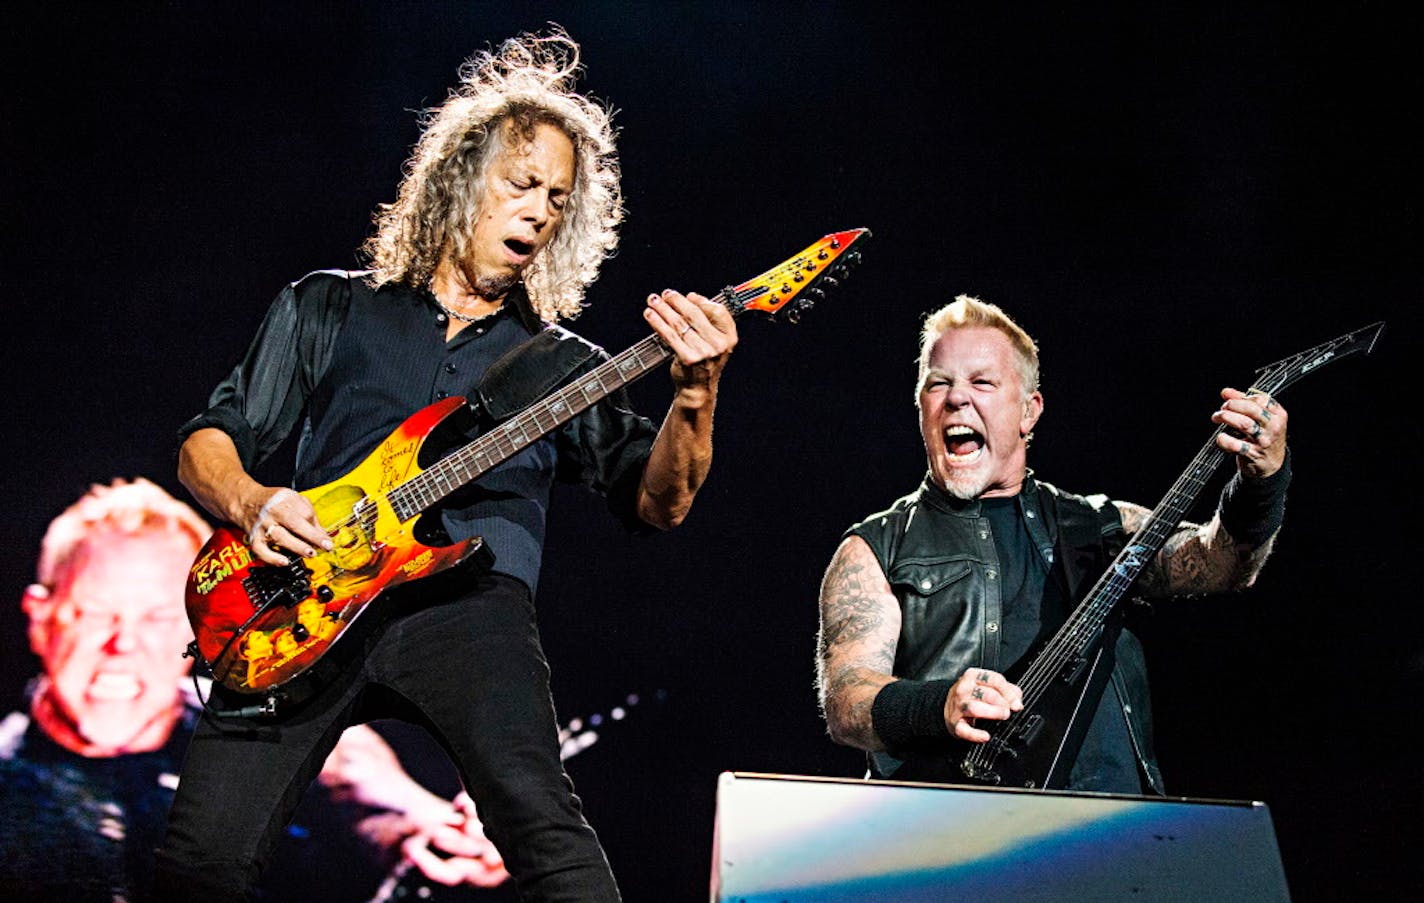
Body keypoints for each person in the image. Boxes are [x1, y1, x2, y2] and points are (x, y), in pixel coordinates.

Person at [155, 26, 736, 902]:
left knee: (550, 839)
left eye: (558, 198)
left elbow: (660, 503)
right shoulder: (329, 305)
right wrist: (252, 501)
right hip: (303, 596)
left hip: (471, 606)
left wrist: (696, 394)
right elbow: (210, 437)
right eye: (521, 183)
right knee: (200, 863)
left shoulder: (562, 366)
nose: (539, 210)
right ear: (463, 178)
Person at [816, 295, 1290, 794]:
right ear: (921, 408)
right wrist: (938, 706)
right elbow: (847, 700)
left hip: (1110, 828)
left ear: (1028, 412)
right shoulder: (877, 547)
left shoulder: (1098, 524)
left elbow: (1219, 564)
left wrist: (1262, 484)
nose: (956, 398)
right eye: (939, 383)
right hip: (950, 830)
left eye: (981, 382)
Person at [0, 478, 508, 903]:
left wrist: (427, 827)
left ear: (198, 631)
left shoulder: (257, 718)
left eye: (156, 617)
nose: (124, 644)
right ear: (40, 618)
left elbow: (349, 772)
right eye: (92, 613)